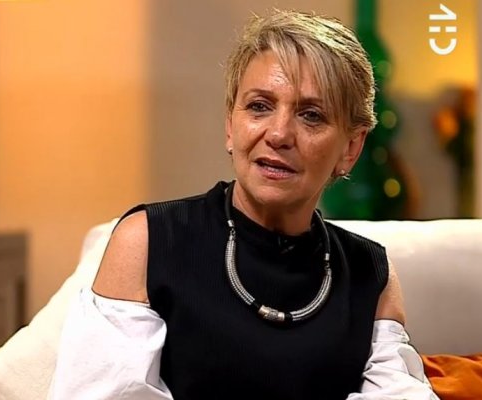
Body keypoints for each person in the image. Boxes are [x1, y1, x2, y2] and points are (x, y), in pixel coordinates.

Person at [50, 9, 439, 400]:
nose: (279, 134)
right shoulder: (148, 242)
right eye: (259, 106)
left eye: (311, 115)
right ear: (230, 125)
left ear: (351, 148)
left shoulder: (371, 274)